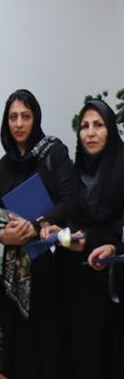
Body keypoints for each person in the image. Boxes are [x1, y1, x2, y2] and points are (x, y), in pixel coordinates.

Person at [0, 89, 74, 379]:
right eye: (13, 117)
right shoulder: (4, 165)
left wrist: (37, 225)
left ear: (35, 118)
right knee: (18, 353)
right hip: (15, 275)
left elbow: (70, 201)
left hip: (50, 270)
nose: (19, 124)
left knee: (49, 352)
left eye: (25, 116)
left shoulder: (54, 154)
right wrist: (2, 235)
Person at [45, 100, 124, 377]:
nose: (90, 132)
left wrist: (109, 244)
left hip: (115, 285)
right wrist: (60, 232)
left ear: (110, 130)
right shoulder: (75, 173)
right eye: (85, 126)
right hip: (78, 286)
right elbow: (71, 218)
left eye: (98, 125)